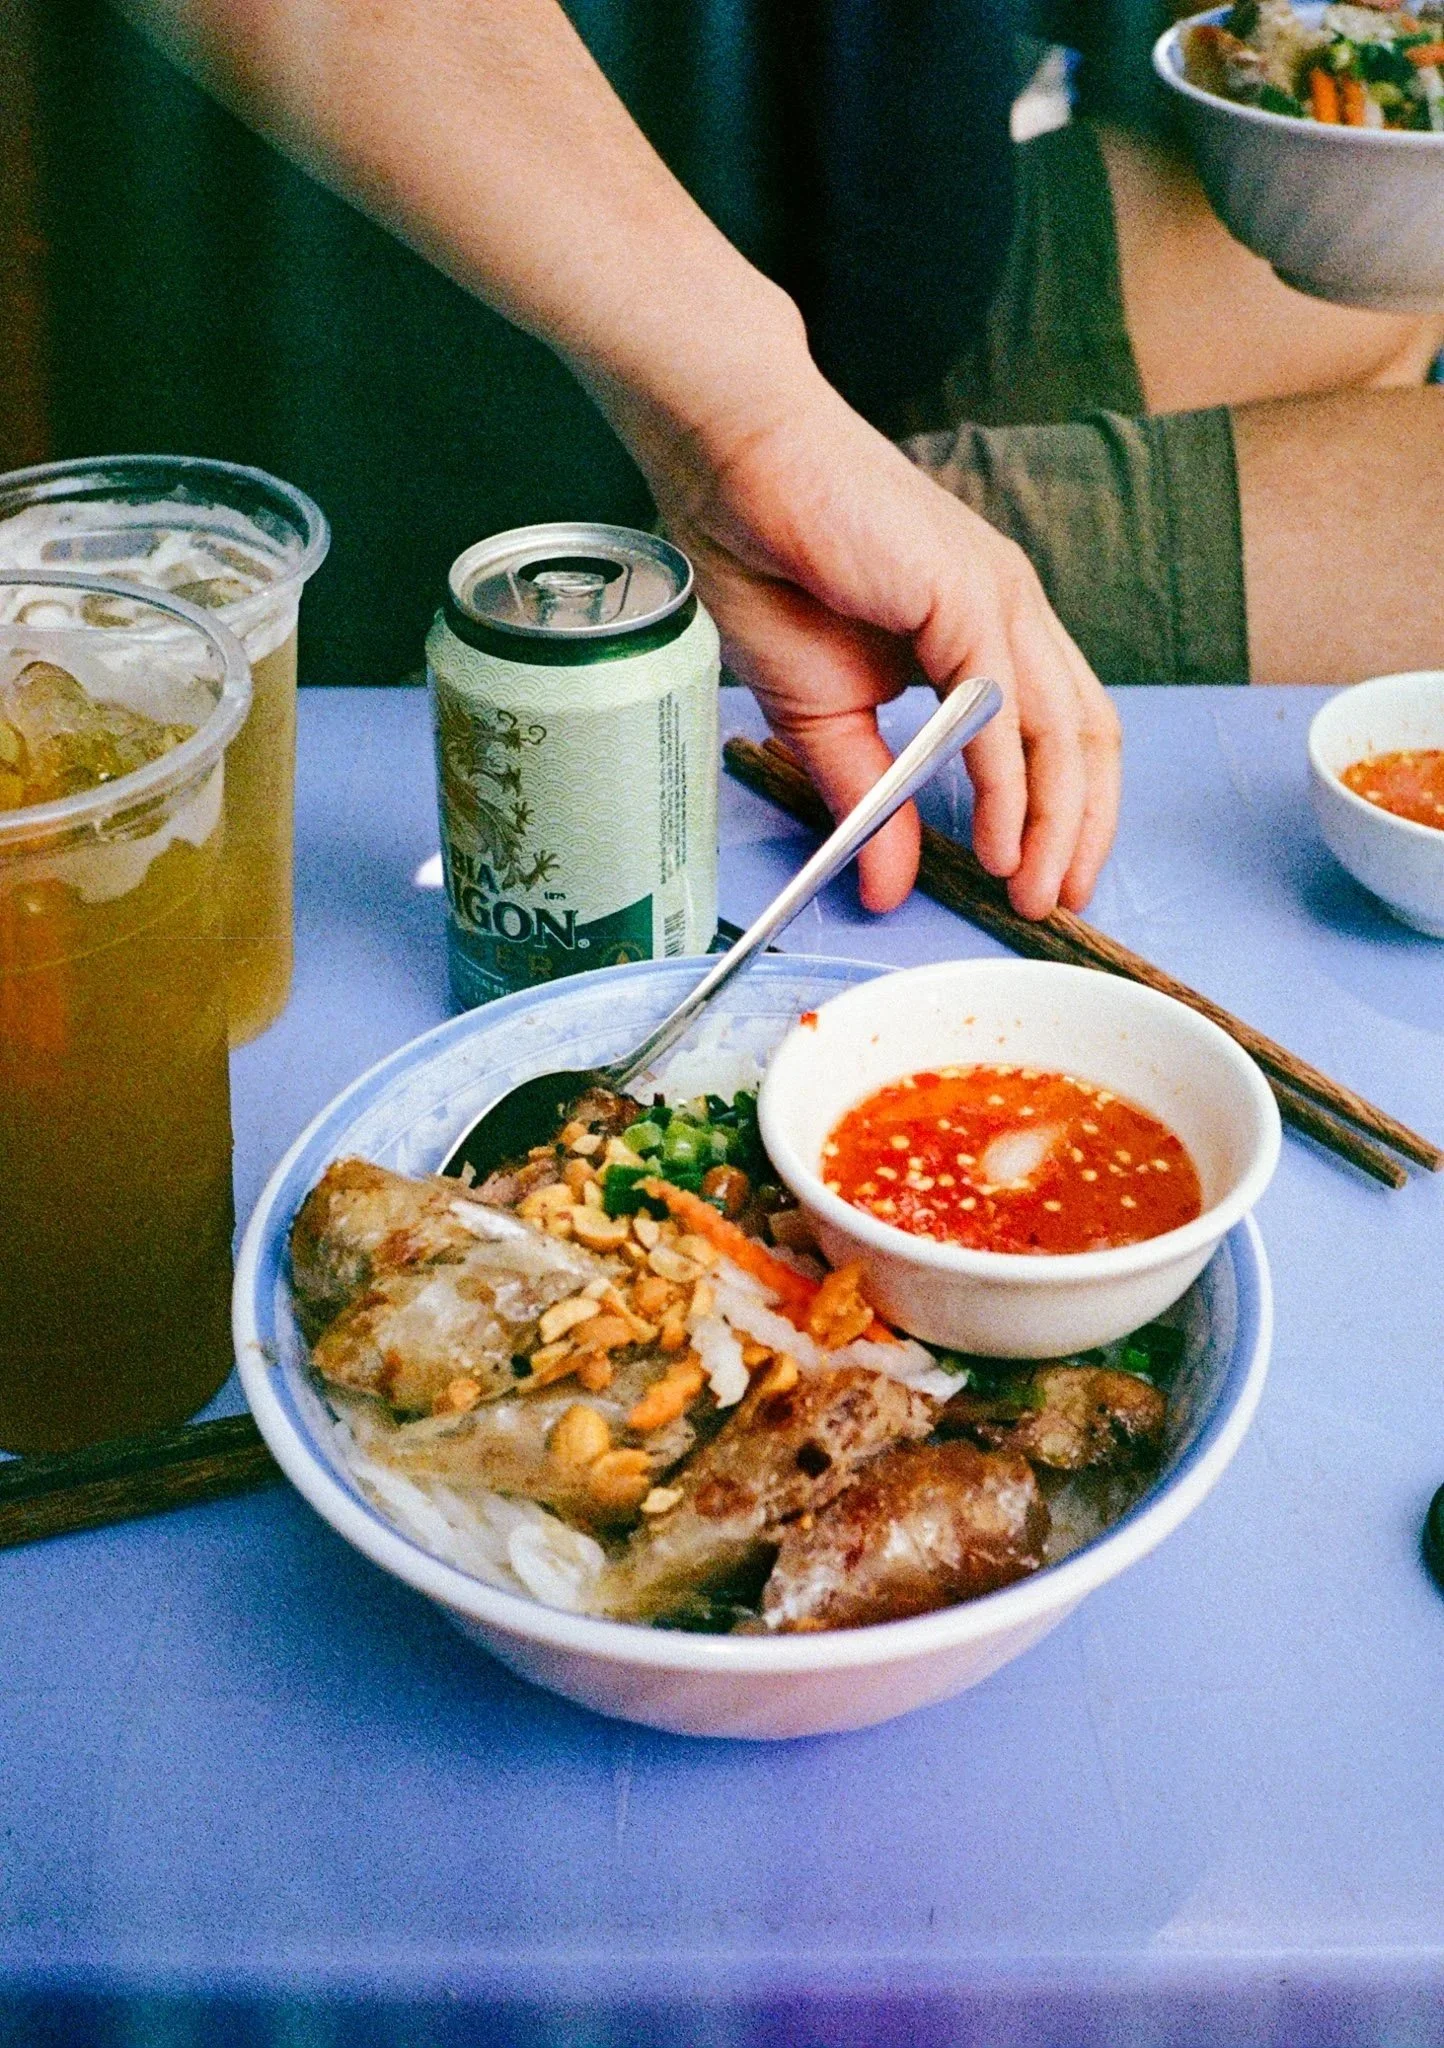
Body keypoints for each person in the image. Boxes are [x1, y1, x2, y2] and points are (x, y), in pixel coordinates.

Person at [114, 0, 1444, 927]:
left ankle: (887, 492)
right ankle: (784, 562)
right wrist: (750, 423)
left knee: (1394, 288)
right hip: (570, 381)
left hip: (909, 263)